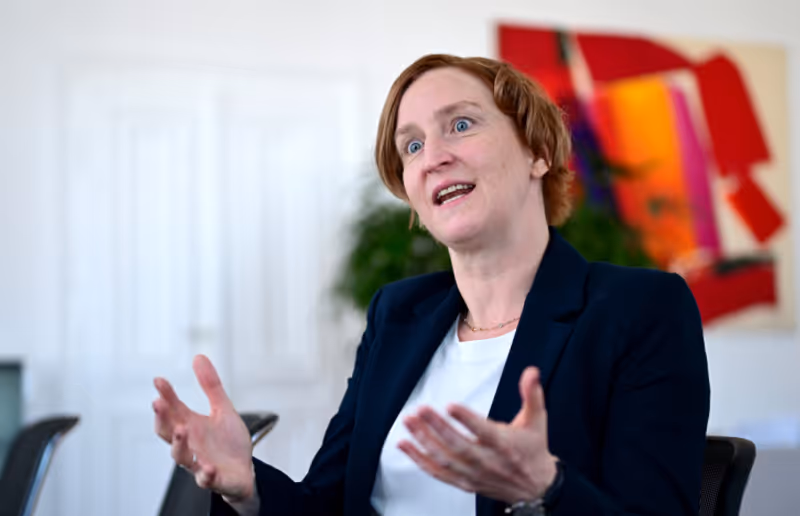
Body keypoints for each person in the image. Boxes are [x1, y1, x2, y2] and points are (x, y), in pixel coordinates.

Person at [152, 54, 710, 516]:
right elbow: (327, 503)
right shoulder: (397, 314)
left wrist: (546, 488)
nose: (433, 158)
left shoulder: (639, 309)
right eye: (412, 146)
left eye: (461, 125)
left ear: (538, 151)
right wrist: (248, 485)